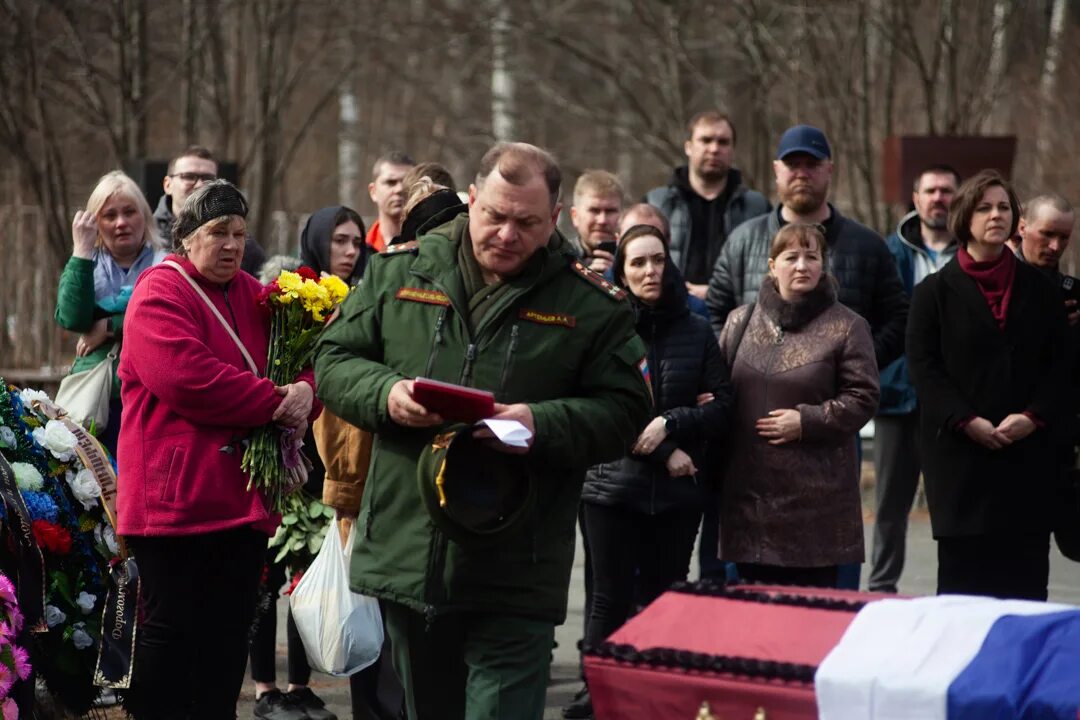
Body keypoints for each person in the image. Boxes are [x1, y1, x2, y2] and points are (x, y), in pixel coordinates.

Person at [314, 141, 653, 720]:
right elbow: (333, 360)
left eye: (525, 222)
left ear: (555, 217)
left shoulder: (591, 304)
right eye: (494, 215)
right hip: (411, 554)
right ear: (471, 201)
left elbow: (626, 410)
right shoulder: (401, 271)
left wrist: (539, 422)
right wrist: (386, 394)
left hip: (517, 563)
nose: (506, 234)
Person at [117, 181, 320, 718]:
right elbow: (188, 379)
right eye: (216, 233)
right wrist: (277, 401)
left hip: (239, 504)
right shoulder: (159, 292)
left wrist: (306, 390)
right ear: (186, 238)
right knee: (169, 635)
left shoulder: (258, 294)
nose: (230, 245)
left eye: (238, 233)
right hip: (174, 504)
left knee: (228, 638)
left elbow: (304, 358)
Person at [574, 224, 732, 717]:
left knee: (669, 596)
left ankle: (661, 691)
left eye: (658, 260)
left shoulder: (696, 327)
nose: (650, 270)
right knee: (610, 598)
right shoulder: (606, 325)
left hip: (677, 495)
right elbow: (598, 406)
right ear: (621, 270)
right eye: (638, 262)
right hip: (612, 486)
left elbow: (724, 405)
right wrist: (667, 450)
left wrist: (673, 421)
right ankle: (598, 691)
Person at [906, 170, 1068, 601]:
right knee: (963, 602)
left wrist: (1034, 417)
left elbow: (1062, 366)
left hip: (1027, 464)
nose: (995, 215)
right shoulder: (932, 294)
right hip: (962, 466)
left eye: (1003, 207)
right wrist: (965, 420)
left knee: (1026, 597)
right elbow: (924, 368)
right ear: (964, 217)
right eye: (984, 207)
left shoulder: (1042, 290)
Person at [248, 206, 369, 720]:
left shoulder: (363, 296)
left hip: (330, 454)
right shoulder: (294, 290)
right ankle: (263, 687)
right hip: (284, 445)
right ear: (318, 242)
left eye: (356, 242)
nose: (349, 250)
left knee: (309, 572)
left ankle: (300, 683)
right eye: (340, 240)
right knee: (265, 578)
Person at [718, 223, 879, 587]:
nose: (802, 265)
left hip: (816, 505)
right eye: (791, 257)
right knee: (752, 622)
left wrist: (807, 421)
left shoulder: (848, 326)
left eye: (812, 256)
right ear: (772, 266)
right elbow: (718, 389)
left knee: (807, 620)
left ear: (824, 265)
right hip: (749, 502)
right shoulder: (740, 321)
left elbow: (864, 397)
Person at [705, 125, 908, 370]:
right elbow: (714, 312)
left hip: (839, 401)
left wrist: (856, 363)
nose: (802, 174)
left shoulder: (868, 245)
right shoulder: (742, 241)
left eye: (812, 165)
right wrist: (739, 365)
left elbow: (898, 319)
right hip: (752, 398)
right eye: (793, 165)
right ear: (776, 170)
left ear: (830, 170)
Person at [869, 165, 961, 593]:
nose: (939, 198)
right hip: (897, 396)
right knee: (890, 503)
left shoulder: (973, 254)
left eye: (947, 191)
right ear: (916, 197)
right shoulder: (890, 253)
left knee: (954, 505)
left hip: (956, 400)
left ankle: (956, 594)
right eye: (931, 191)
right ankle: (881, 588)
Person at [55, 170, 164, 454]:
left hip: (152, 399)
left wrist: (108, 327)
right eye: (109, 215)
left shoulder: (166, 264)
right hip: (95, 400)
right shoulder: (86, 264)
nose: (121, 223)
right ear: (95, 222)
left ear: (145, 217)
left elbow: (163, 321)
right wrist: (82, 249)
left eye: (130, 212)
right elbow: (71, 317)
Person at [645, 111, 769, 301]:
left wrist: (715, 293)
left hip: (736, 319)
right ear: (688, 147)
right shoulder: (656, 205)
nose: (714, 149)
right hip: (671, 318)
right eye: (706, 140)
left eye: (723, 142)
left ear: (733, 150)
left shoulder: (757, 208)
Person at [153, 145, 267, 275]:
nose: (200, 185)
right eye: (189, 176)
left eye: (208, 179)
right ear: (167, 184)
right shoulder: (146, 236)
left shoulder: (246, 247)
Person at [570, 170, 624, 275]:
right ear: (575, 216)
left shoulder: (636, 261)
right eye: (594, 210)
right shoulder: (558, 260)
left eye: (610, 211)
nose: (602, 220)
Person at [366, 151, 416, 252]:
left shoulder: (432, 247)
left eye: (407, 182)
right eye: (390, 182)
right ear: (373, 191)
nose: (399, 189)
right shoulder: (360, 251)